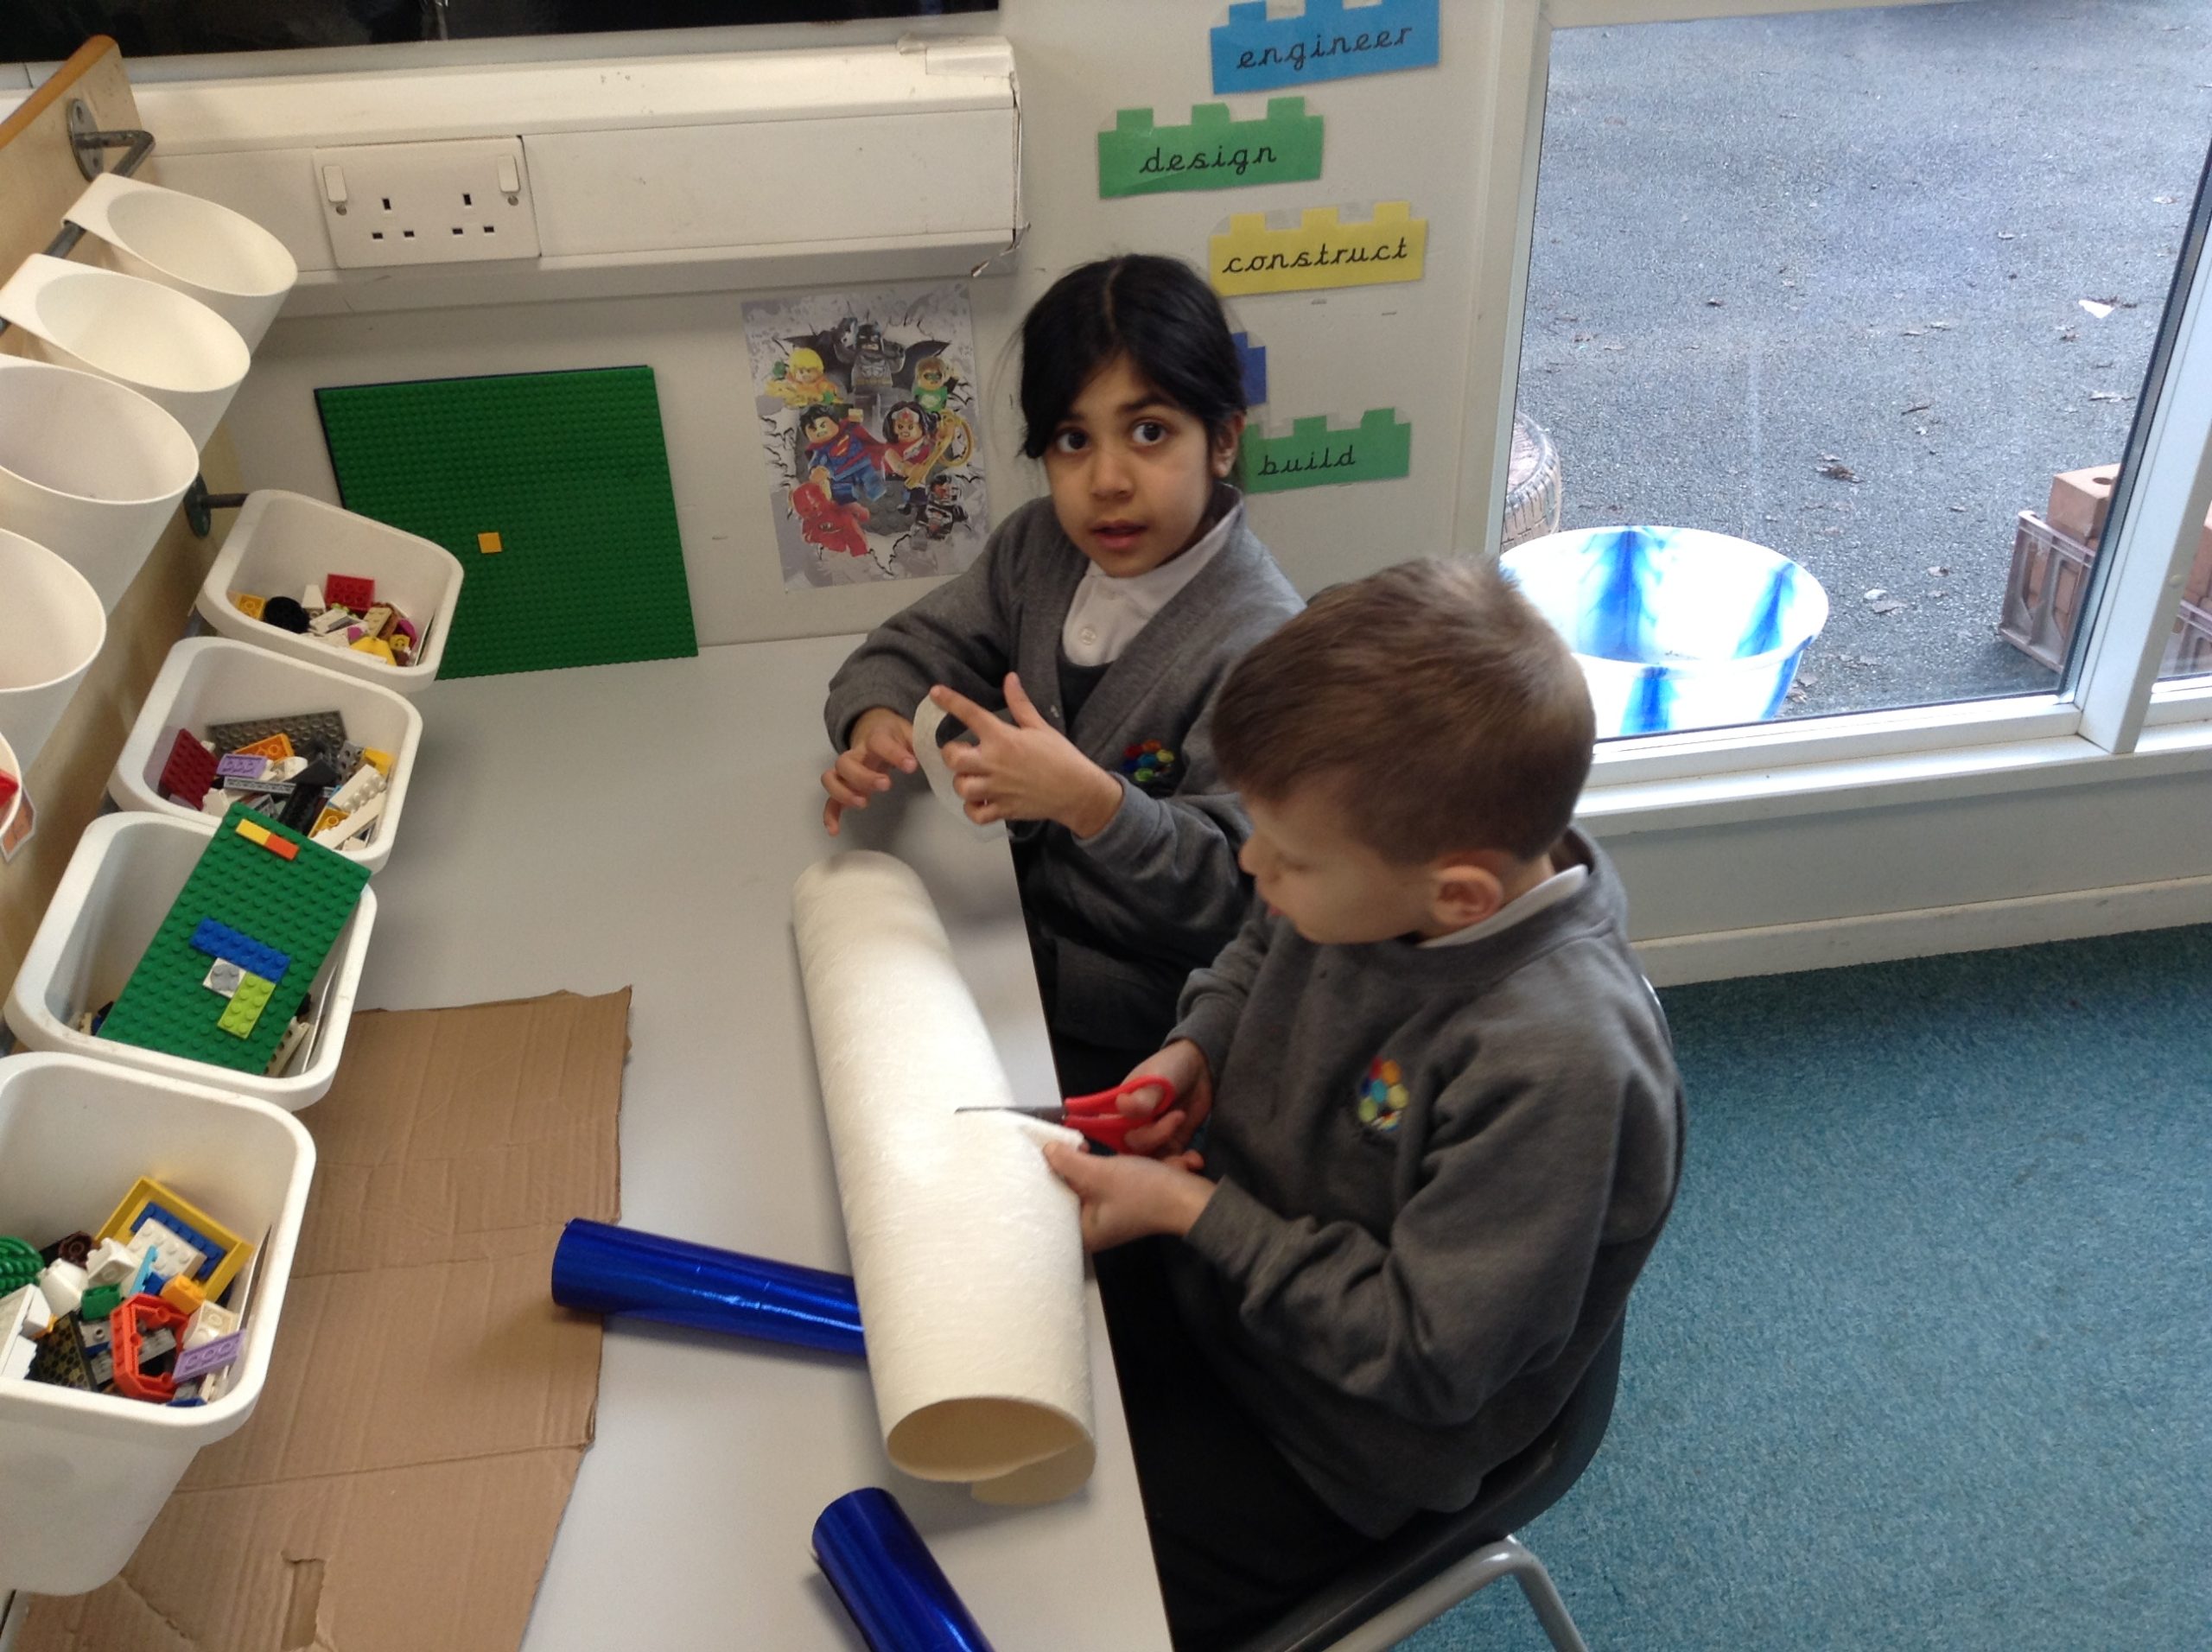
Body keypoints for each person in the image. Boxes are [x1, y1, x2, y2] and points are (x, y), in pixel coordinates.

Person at [1040, 558, 1686, 1650]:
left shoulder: (1557, 1068)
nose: (1252, 863)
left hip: (1329, 1443)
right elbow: (1263, 942)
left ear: (1459, 895)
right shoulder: (1379, 875)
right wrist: (1197, 1049)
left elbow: (1428, 1357)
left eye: (1288, 858)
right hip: (1227, 1293)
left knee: (1050, 1602)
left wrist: (1191, 1213)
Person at [820, 255, 1302, 1091]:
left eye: (1149, 433)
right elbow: (910, 647)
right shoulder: (1039, 546)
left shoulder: (1265, 647)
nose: (1107, 482)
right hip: (1007, 935)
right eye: (1073, 441)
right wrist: (879, 721)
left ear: (1223, 439)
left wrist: (1092, 805)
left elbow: (1247, 893)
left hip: (1145, 1028)